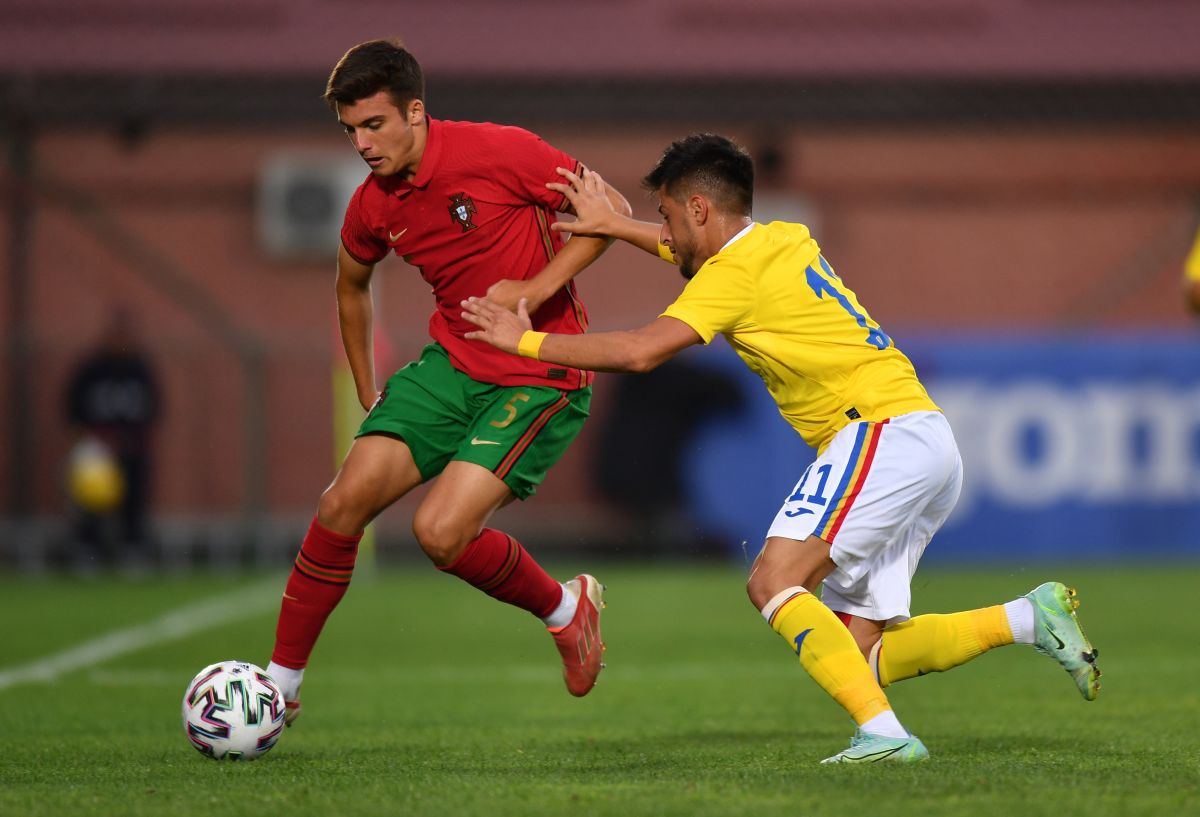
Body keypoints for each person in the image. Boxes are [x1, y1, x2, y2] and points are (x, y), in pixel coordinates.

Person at [461, 134, 1102, 764]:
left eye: (665, 214)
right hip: (920, 436)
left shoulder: (732, 274)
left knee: (774, 580)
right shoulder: (783, 238)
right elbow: (687, 251)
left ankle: (885, 736)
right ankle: (1026, 618)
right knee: (864, 652)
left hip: (877, 432)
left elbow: (640, 350)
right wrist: (623, 225)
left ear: (698, 208)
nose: (665, 230)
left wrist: (525, 341)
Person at [266, 39, 631, 723]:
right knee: (341, 504)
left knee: (439, 533)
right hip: (452, 365)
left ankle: (562, 607)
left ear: (415, 112)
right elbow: (350, 285)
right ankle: (278, 688)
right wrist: (367, 387)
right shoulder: (371, 205)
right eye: (350, 131)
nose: (362, 145)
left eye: (374, 125)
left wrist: (535, 285)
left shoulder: (498, 150)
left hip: (541, 369)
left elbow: (606, 208)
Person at [64, 307, 162, 569]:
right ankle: (88, 550)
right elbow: (72, 407)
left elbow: (155, 408)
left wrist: (132, 439)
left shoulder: (140, 368)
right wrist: (90, 437)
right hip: (97, 446)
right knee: (91, 497)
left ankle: (133, 548)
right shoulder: (92, 367)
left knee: (134, 496)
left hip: (131, 446)